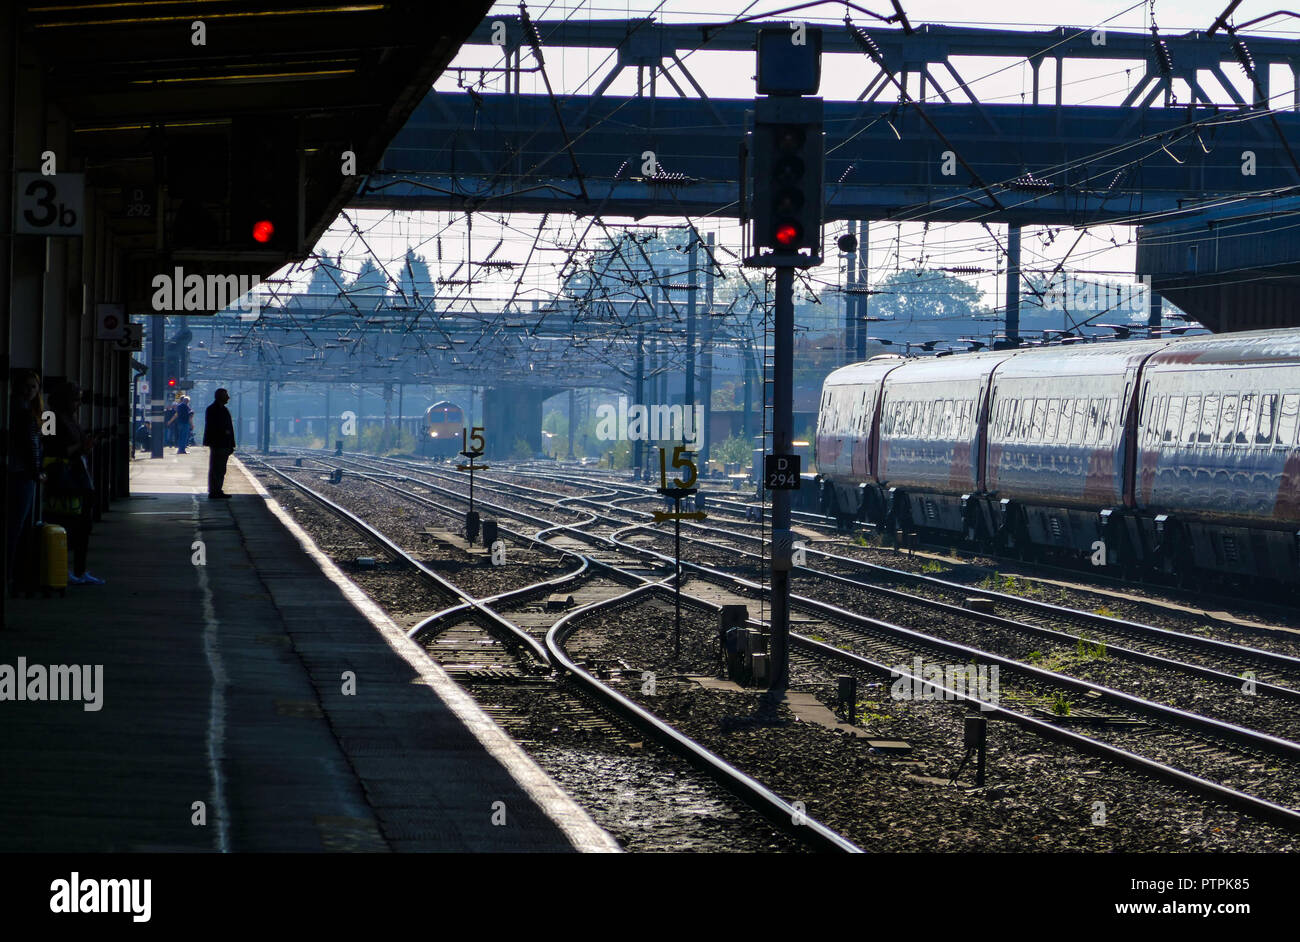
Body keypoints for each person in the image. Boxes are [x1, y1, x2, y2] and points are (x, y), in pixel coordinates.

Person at [43, 382, 102, 586]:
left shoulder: (71, 419)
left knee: (83, 526)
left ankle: (79, 570)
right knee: (64, 521)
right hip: (61, 478)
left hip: (78, 476)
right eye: (75, 399)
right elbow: (49, 448)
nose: (78, 404)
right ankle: (63, 568)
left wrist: (84, 448)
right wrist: (80, 446)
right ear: (64, 399)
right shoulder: (49, 417)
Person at [6, 370, 45, 592]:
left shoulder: (17, 408)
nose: (30, 391)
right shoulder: (25, 412)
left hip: (18, 471)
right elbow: (33, 444)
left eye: (34, 387)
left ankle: (15, 573)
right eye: (27, 386)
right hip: (23, 474)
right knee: (17, 526)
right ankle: (15, 574)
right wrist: (38, 471)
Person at [203, 388, 236, 499]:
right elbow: (215, 427)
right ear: (220, 396)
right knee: (217, 467)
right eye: (226, 395)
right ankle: (214, 491)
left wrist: (231, 444)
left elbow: (230, 429)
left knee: (220, 468)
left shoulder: (223, 410)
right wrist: (224, 434)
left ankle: (217, 489)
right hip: (218, 443)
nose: (228, 397)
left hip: (224, 443)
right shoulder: (213, 410)